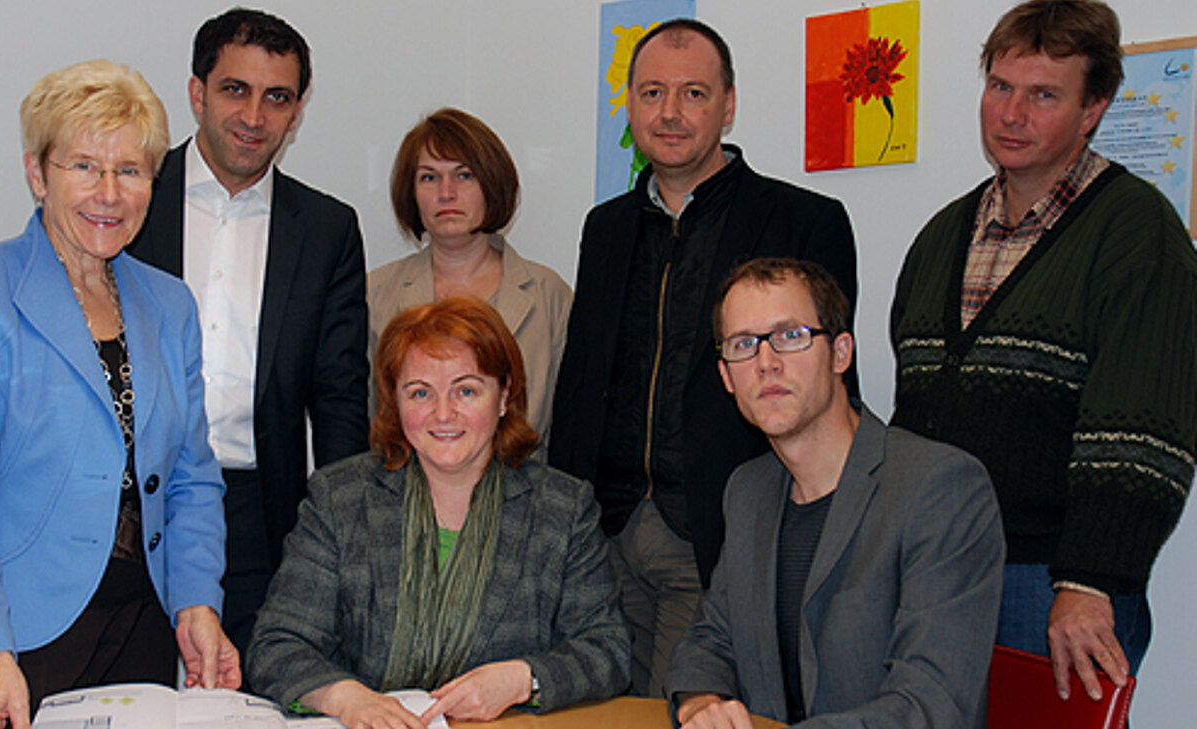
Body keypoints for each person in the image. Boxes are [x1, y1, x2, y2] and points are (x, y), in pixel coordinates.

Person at [0, 60, 238, 729]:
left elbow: (192, 478)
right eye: (84, 166)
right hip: (19, 635)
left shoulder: (169, 304)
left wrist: (197, 602)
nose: (109, 193)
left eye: (130, 170)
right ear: (38, 174)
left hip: (145, 623)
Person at [891, 0, 1196, 703]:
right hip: (939, 571)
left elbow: (1145, 432)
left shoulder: (1138, 233)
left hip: (1053, 583)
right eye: (1000, 86)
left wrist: (1089, 580)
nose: (1011, 113)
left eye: (1044, 95)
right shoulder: (942, 235)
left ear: (1093, 110)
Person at [548, 18, 858, 697]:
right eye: (652, 92)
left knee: (682, 709)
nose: (670, 112)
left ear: (729, 104)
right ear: (630, 105)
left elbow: (831, 394)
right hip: (603, 537)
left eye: (693, 93)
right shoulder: (606, 228)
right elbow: (581, 381)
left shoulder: (803, 221)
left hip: (717, 534)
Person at [248, 297, 628, 728]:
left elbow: (607, 648)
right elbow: (277, 644)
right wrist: (345, 697)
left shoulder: (562, 508)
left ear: (504, 396)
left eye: (466, 391)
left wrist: (524, 679)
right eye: (420, 393)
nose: (443, 413)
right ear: (394, 400)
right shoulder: (340, 499)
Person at [126, 7, 370, 670]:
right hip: (133, 503)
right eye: (235, 89)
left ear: (297, 112)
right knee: (135, 693)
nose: (254, 116)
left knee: (250, 694)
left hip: (262, 515)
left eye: (277, 98)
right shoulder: (129, 200)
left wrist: (349, 533)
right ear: (197, 93)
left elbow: (340, 395)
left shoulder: (326, 229)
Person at [667, 258, 1004, 728]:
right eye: (743, 344)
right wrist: (702, 703)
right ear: (726, 377)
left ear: (841, 353)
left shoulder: (940, 488)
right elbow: (710, 639)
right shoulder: (748, 490)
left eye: (790, 335)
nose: (766, 363)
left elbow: (931, 704)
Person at [369, 108, 571, 447]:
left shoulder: (549, 295)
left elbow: (568, 427)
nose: (446, 192)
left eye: (464, 175)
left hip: (522, 478)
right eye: (429, 177)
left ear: (492, 183)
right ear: (411, 192)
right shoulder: (375, 295)